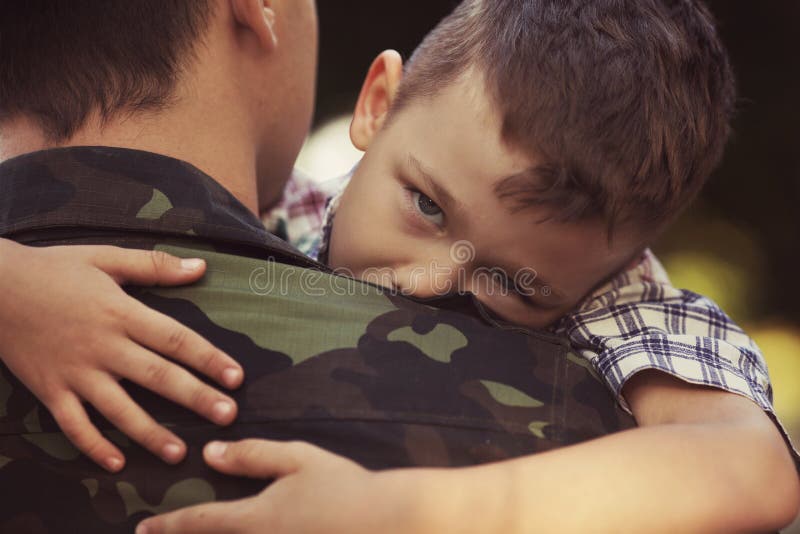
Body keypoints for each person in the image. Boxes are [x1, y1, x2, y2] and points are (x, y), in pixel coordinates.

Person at [0, 1, 797, 534]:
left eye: (515, 286)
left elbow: (751, 471)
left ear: (607, 272)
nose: (425, 284)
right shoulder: (301, 204)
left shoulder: (623, 305)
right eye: (427, 208)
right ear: (379, 103)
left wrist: (401, 510)